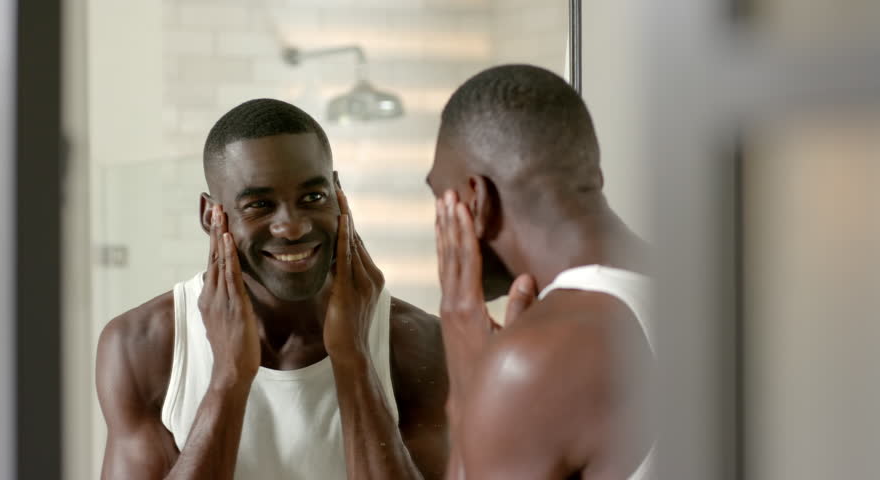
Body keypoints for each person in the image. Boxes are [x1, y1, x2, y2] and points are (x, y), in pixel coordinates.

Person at [96, 99, 448, 479]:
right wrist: (229, 378)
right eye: (259, 204)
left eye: (313, 198)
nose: (292, 227)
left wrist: (354, 359)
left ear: (338, 193)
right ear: (211, 215)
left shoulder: (416, 341)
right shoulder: (143, 344)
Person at [427, 65, 654, 479]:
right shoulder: (701, 285)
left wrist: (467, 381)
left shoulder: (531, 360)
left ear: (476, 199)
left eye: (441, 198)